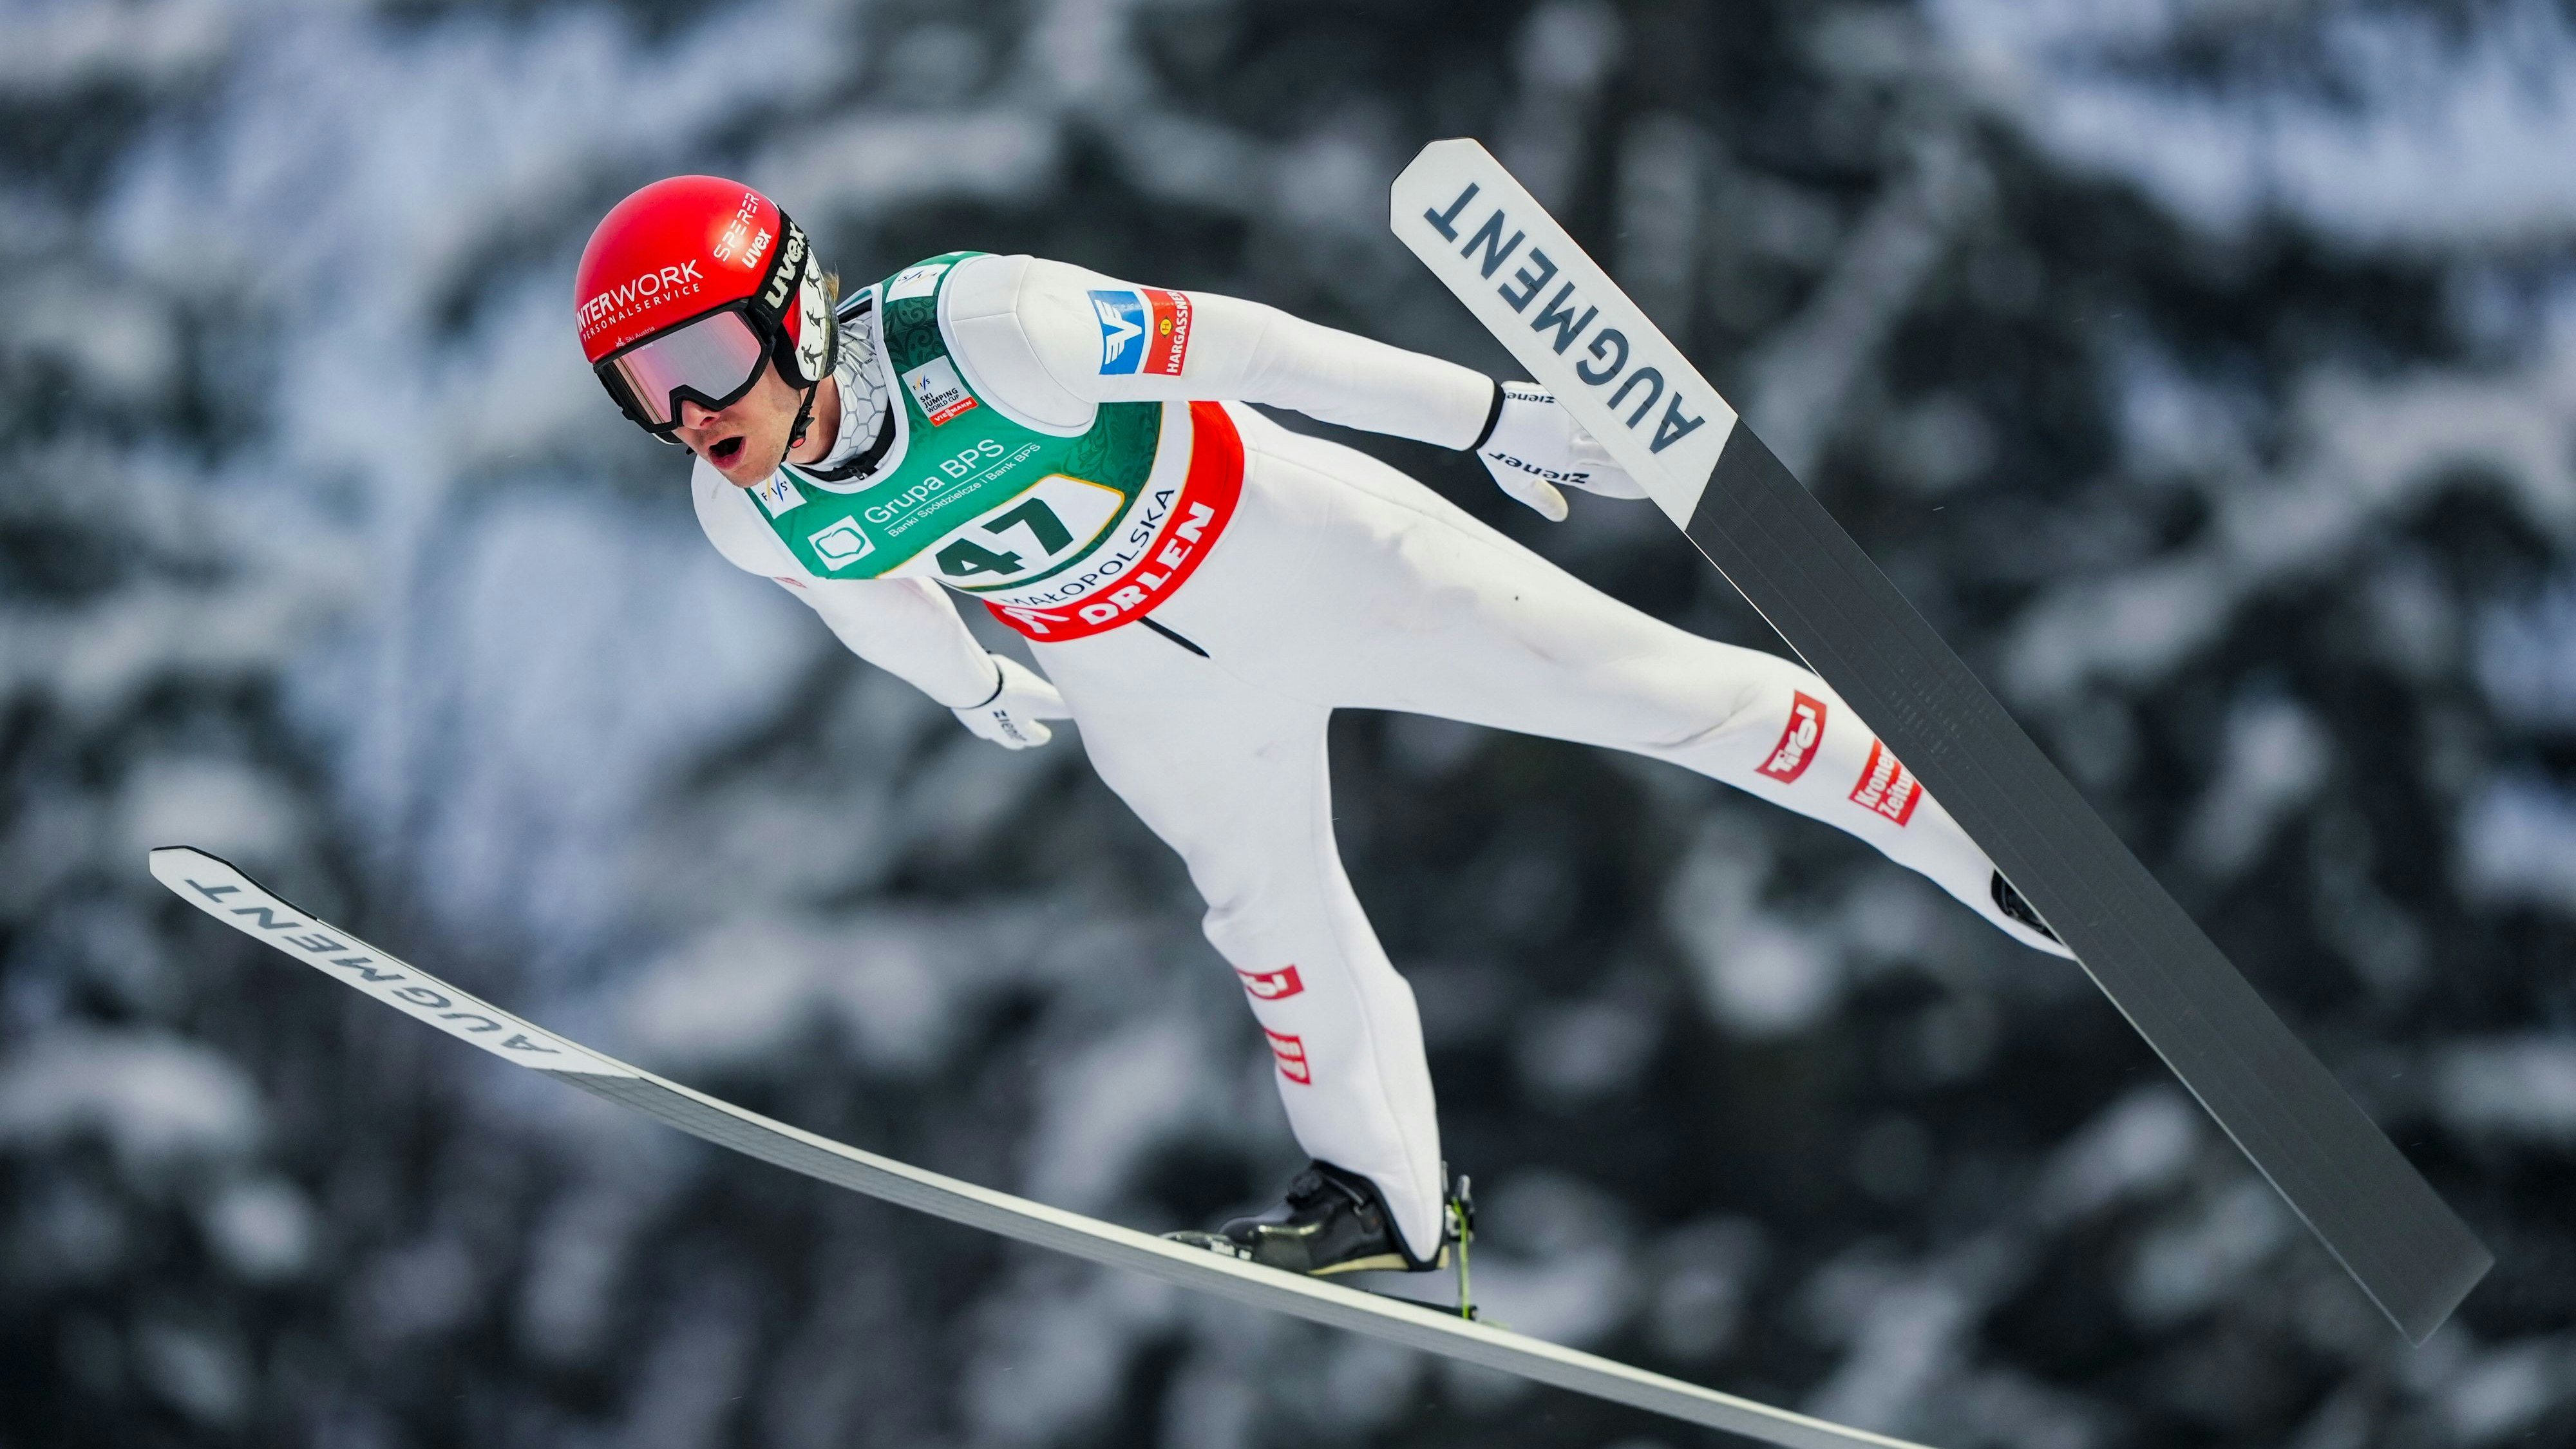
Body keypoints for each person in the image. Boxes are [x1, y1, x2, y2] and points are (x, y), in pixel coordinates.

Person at [574, 175, 2070, 1278]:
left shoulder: (982, 325)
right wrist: (971, 687)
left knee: (1650, 694)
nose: (686, 414)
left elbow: (1257, 350)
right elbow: (867, 594)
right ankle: (1386, 1204)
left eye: (700, 364)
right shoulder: (744, 513)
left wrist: (1489, 418)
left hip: (1290, 547)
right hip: (1135, 677)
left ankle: (1977, 839)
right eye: (640, 392)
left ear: (799, 310)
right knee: (1267, 920)